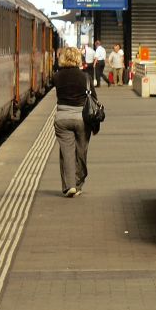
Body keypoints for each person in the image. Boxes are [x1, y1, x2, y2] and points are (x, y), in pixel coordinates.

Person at [53, 45, 94, 197]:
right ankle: (78, 183)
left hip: (62, 118)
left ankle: (69, 186)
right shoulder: (85, 77)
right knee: (81, 152)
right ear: (78, 58)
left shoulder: (57, 76)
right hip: (82, 119)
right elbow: (94, 98)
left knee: (67, 153)